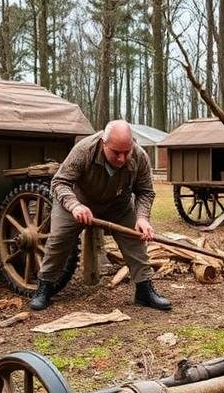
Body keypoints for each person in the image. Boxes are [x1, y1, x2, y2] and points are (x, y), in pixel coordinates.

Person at [29, 119, 171, 311]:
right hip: (78, 202)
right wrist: (75, 206)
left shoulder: (139, 156)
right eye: (116, 153)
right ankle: (44, 287)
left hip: (118, 204)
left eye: (126, 152)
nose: (122, 158)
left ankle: (144, 290)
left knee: (136, 240)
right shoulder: (84, 150)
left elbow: (145, 191)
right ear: (104, 144)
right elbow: (59, 182)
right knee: (59, 239)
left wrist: (142, 217)